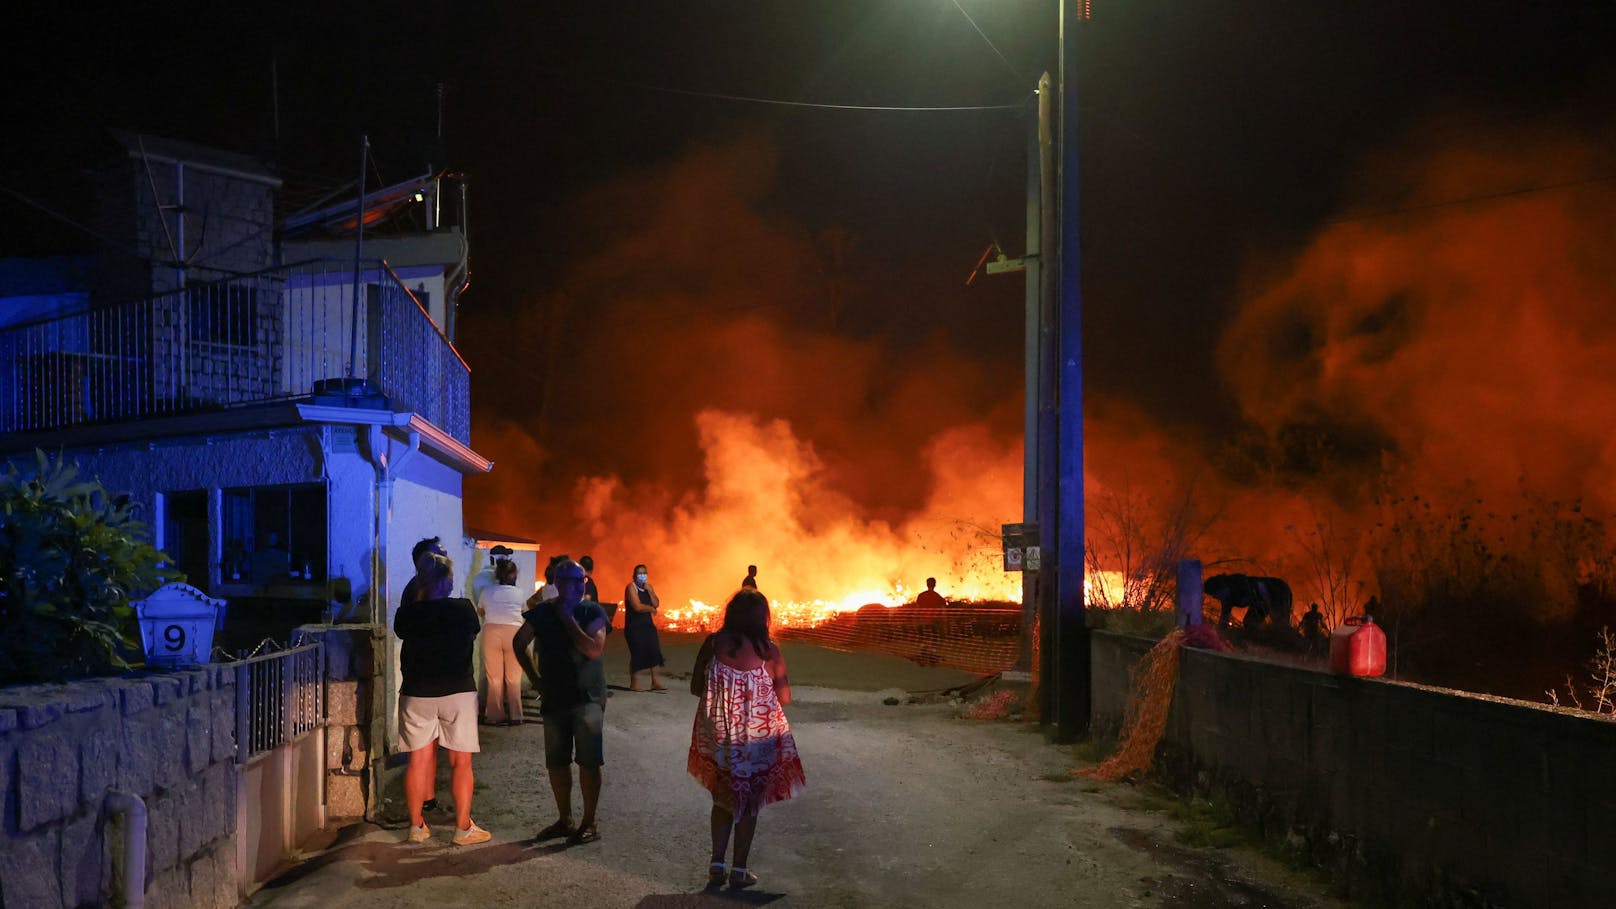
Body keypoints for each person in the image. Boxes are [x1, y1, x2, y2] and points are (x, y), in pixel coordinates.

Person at [688, 589, 806, 889]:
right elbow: (785, 697)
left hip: (721, 734)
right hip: (757, 736)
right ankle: (739, 869)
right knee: (749, 803)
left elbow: (695, 687)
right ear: (762, 618)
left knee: (722, 796)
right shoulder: (769, 650)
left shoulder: (713, 644)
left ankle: (717, 863)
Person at [393, 554, 492, 846]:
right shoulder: (463, 609)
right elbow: (472, 632)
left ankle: (416, 827)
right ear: (447, 581)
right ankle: (462, 829)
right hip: (457, 691)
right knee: (461, 762)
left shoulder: (407, 613)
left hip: (417, 692)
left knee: (418, 759)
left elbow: (402, 630)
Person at [514, 559, 611, 844]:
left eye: (577, 580)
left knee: (589, 762)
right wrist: (535, 678)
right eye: (565, 580)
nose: (572, 586)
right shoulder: (542, 613)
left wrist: (567, 618)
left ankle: (589, 822)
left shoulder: (592, 611)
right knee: (557, 762)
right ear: (556, 584)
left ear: (584, 583)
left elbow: (593, 649)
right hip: (555, 698)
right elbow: (519, 643)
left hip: (588, 699)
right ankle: (565, 819)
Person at [478, 558, 528, 725]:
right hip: (514, 633)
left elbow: (480, 611)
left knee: (494, 678)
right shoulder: (519, 593)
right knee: (513, 678)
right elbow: (523, 611)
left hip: (491, 632)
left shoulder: (487, 591)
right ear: (514, 575)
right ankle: (515, 715)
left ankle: (494, 715)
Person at [623, 563, 667, 691]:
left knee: (654, 650)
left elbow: (656, 603)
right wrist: (650, 609)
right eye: (639, 573)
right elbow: (637, 606)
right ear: (634, 576)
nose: (642, 576)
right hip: (634, 626)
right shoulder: (631, 587)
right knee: (637, 653)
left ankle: (656, 682)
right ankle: (634, 683)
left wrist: (650, 591)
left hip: (648, 625)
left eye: (644, 573)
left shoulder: (649, 587)